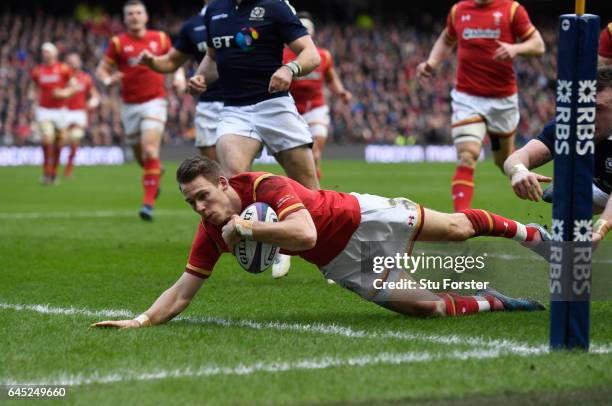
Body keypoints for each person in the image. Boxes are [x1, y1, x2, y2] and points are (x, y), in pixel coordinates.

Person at [93, 155, 550, 330]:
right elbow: (183, 288)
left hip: (362, 218)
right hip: (343, 264)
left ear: (224, 183)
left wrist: (247, 229)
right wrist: (142, 321)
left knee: (457, 229)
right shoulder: (213, 229)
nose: (199, 208)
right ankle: (494, 301)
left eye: (203, 197)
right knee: (424, 308)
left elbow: (304, 233)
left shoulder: (265, 185)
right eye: (191, 203)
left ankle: (535, 237)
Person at [187, 0, 322, 279]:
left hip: (274, 106)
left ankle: (328, 253)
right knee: (236, 182)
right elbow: (213, 58)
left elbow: (311, 54)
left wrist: (290, 69)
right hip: (235, 110)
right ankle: (277, 244)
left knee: (310, 192)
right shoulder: (215, 11)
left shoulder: (274, 7)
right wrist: (201, 78)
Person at [416, 0, 545, 212]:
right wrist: (431, 63)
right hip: (467, 97)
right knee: (467, 155)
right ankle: (461, 218)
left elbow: (538, 44)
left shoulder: (512, 9)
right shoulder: (459, 10)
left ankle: (522, 174)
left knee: (504, 161)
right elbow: (446, 39)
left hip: (503, 100)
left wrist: (516, 48)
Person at [504, 66, 612, 245]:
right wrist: (518, 171)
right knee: (568, 203)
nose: (588, 116)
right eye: (584, 107)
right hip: (603, 187)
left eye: (598, 108)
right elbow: (519, 156)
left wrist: (600, 227)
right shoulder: (570, 125)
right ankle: (557, 244)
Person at [96, 0, 174, 221]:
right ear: (124, 18)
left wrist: (177, 77)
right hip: (129, 106)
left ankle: (148, 203)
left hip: (155, 101)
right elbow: (102, 69)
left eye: (138, 12)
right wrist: (108, 80)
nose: (134, 16)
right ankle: (154, 177)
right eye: (130, 13)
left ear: (146, 16)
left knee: (150, 151)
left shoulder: (160, 38)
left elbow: (174, 61)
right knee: (142, 158)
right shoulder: (118, 43)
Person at [139, 0, 223, 161]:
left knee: (237, 167)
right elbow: (172, 61)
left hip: (243, 100)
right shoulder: (192, 26)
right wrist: (152, 61)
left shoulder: (243, 14)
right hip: (209, 103)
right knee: (214, 168)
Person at [282, 12, 352, 180]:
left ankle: (314, 194)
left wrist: (341, 91)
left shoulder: (323, 56)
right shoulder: (282, 55)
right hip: (292, 110)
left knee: (314, 153)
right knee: (297, 160)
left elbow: (331, 78)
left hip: (316, 108)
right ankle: (305, 187)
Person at [30, 42, 73, 185]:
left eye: (47, 51)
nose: (45, 54)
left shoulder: (64, 69)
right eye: (43, 52)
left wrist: (63, 93)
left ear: (55, 53)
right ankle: (46, 173)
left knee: (59, 142)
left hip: (60, 111)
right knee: (47, 139)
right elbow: (34, 87)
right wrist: (32, 98)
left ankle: (54, 173)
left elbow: (74, 87)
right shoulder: (37, 70)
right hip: (44, 110)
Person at [54, 53, 100, 178]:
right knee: (61, 142)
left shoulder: (85, 78)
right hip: (64, 112)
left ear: (80, 62)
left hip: (79, 113)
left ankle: (68, 170)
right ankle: (54, 168)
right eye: (70, 61)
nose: (73, 63)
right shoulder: (62, 77)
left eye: (75, 61)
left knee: (75, 138)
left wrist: (93, 102)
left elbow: (94, 95)